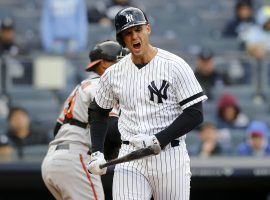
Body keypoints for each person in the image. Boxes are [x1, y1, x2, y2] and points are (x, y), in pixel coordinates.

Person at [87, 7, 207, 200]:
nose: (134, 36)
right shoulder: (113, 74)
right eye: (128, 33)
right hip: (130, 155)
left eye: (138, 29)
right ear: (122, 39)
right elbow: (98, 112)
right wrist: (97, 152)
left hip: (169, 156)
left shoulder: (174, 65)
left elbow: (195, 113)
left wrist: (159, 138)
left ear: (148, 29)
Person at [41, 40, 128, 200]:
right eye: (121, 62)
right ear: (104, 64)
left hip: (53, 161)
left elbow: (56, 129)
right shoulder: (101, 87)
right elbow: (112, 131)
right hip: (77, 158)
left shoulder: (82, 87)